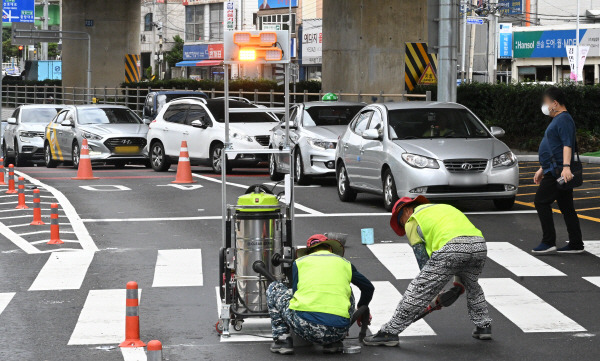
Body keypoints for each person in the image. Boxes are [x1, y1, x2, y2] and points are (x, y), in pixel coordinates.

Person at [363, 196, 492, 346]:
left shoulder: (412, 220)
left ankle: (389, 332)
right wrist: (458, 285)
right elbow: (462, 241)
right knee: (472, 285)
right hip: (478, 245)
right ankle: (484, 327)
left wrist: (433, 296)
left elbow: (424, 264)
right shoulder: (444, 207)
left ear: (406, 211)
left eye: (401, 222)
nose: (404, 227)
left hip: (451, 248)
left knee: (418, 290)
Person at [267, 234, 375, 355]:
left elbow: (296, 295)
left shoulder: (299, 263)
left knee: (274, 288)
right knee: (346, 289)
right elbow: (368, 288)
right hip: (339, 330)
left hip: (306, 329)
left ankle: (282, 341)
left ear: (308, 252)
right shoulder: (345, 263)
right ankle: (333, 343)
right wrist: (361, 307)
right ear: (329, 248)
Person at [532, 87, 584, 254]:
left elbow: (567, 145)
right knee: (566, 206)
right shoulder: (559, 120)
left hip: (558, 171)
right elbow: (554, 147)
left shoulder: (563, 120)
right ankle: (576, 243)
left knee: (541, 201)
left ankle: (548, 242)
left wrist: (567, 168)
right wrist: (542, 168)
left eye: (546, 102)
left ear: (554, 103)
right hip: (555, 169)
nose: (545, 106)